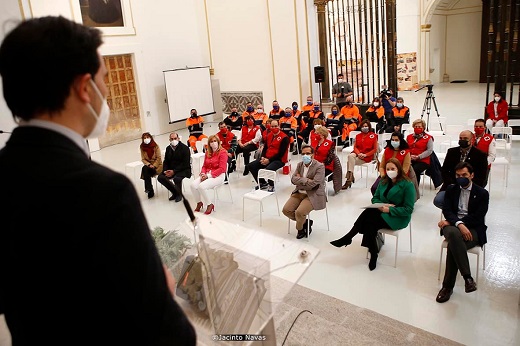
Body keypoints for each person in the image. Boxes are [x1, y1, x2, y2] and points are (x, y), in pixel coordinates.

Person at [0, 16, 195, 345]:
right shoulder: (105, 192)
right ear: (83, 88)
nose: (107, 89)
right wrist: (163, 290)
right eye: (104, 79)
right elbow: (168, 334)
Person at [330, 158, 415, 270]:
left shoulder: (407, 185)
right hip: (380, 211)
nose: (390, 171)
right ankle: (373, 253)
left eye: (392, 169)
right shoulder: (383, 181)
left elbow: (408, 209)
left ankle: (350, 238)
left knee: (369, 217)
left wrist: (389, 210)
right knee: (370, 219)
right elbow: (375, 198)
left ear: (398, 169)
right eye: (388, 169)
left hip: (397, 217)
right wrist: (380, 206)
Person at [436, 162, 489, 303]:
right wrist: (458, 224)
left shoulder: (482, 193)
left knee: (454, 245)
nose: (461, 177)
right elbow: (446, 210)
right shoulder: (451, 190)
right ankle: (468, 278)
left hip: (473, 228)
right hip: (452, 227)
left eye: (464, 175)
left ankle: (447, 287)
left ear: (472, 175)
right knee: (454, 235)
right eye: (458, 175)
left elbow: (479, 216)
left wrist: (461, 223)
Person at [433, 130, 488, 208]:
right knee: (438, 200)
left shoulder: (480, 155)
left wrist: (468, 185)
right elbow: (444, 170)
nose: (462, 140)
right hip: (452, 184)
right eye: (460, 138)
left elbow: (482, 176)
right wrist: (452, 184)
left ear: (472, 139)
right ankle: (452, 214)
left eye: (465, 138)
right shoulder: (451, 152)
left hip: (471, 186)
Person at [283, 145, 326, 239]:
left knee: (299, 212)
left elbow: (314, 184)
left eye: (308, 153)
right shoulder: (300, 164)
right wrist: (306, 180)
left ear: (313, 155)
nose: (305, 156)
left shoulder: (320, 166)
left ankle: (300, 229)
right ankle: (306, 222)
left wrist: (300, 179)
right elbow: (293, 180)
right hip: (299, 192)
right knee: (286, 210)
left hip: (313, 194)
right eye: (303, 154)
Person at [372, 131, 420, 200]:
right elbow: (382, 166)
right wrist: (383, 176)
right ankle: (382, 200)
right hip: (386, 174)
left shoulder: (406, 152)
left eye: (396, 140)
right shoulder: (387, 150)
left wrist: (395, 178)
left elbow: (405, 169)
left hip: (400, 176)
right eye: (392, 140)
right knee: (375, 187)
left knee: (394, 190)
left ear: (401, 140)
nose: (394, 141)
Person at [246, 119, 289, 192]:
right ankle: (262, 183)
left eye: (276, 126)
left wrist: (269, 160)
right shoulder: (269, 135)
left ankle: (271, 185)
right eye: (272, 126)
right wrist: (263, 157)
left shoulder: (284, 138)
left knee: (269, 168)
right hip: (267, 158)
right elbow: (265, 148)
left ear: (279, 126)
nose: (274, 128)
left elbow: (281, 154)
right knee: (251, 166)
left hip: (279, 159)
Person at [190, 134, 228, 215]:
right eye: (211, 141)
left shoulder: (223, 152)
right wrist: (203, 173)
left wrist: (208, 176)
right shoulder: (208, 152)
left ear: (218, 142)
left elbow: (222, 169)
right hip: (207, 174)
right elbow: (204, 166)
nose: (213, 143)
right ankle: (199, 202)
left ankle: (209, 204)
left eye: (215, 141)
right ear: (209, 143)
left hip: (219, 176)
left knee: (201, 186)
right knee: (193, 185)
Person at [342, 120, 378, 189]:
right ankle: (350, 178)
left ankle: (348, 180)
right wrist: (358, 153)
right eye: (363, 126)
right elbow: (355, 147)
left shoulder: (373, 136)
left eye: (366, 126)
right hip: (357, 153)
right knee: (350, 156)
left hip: (367, 156)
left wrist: (365, 155)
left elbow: (375, 149)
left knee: (349, 162)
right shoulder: (358, 136)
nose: (364, 127)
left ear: (369, 127)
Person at [157, 132, 192, 202]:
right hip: (171, 169)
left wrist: (174, 171)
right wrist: (165, 170)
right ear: (169, 140)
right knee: (161, 177)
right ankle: (174, 192)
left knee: (177, 178)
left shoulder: (185, 148)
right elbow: (166, 161)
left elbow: (185, 163)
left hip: (183, 169)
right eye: (172, 139)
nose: (173, 140)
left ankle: (179, 194)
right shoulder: (168, 148)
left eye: (175, 138)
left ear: (178, 138)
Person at [313, 126, 343, 194]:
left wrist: (322, 164)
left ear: (322, 134)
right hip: (315, 164)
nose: (316, 135)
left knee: (316, 175)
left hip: (326, 166)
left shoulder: (330, 143)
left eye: (318, 133)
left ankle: (317, 190)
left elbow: (330, 157)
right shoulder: (315, 142)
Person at [406, 119, 433, 184]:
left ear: (423, 128)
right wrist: (409, 156)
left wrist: (419, 157)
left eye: (419, 127)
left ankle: (414, 188)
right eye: (415, 127)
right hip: (410, 158)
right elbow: (405, 148)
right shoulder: (409, 137)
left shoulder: (428, 138)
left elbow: (429, 150)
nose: (417, 128)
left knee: (415, 170)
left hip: (423, 160)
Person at [140, 132, 163, 199]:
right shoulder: (142, 147)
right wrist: (149, 164)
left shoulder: (155, 146)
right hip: (149, 165)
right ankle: (150, 189)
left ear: (150, 138)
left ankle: (149, 189)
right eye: (144, 138)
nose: (146, 139)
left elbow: (159, 158)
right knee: (145, 168)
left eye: (147, 137)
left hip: (157, 166)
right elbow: (143, 159)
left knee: (145, 170)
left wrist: (154, 165)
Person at [473, 118, 496, 187]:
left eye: (480, 127)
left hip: (484, 166)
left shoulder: (490, 139)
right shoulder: (470, 137)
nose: (478, 128)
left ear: (485, 127)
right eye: (476, 126)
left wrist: (483, 164)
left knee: (481, 184)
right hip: (470, 165)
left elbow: (492, 156)